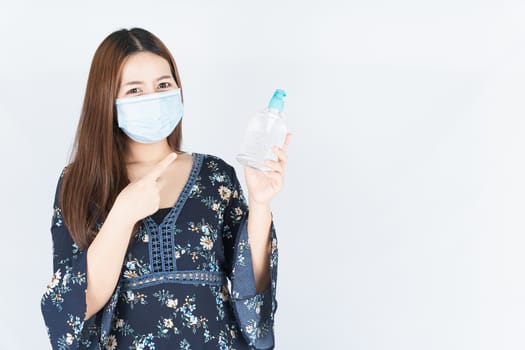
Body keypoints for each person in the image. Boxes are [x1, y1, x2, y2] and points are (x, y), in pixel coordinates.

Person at [40, 27, 291, 350]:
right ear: (107, 99)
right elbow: (73, 307)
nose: (154, 98)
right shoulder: (81, 184)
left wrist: (260, 204)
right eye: (134, 90)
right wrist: (123, 214)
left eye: (163, 84)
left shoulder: (215, 176)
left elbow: (252, 293)